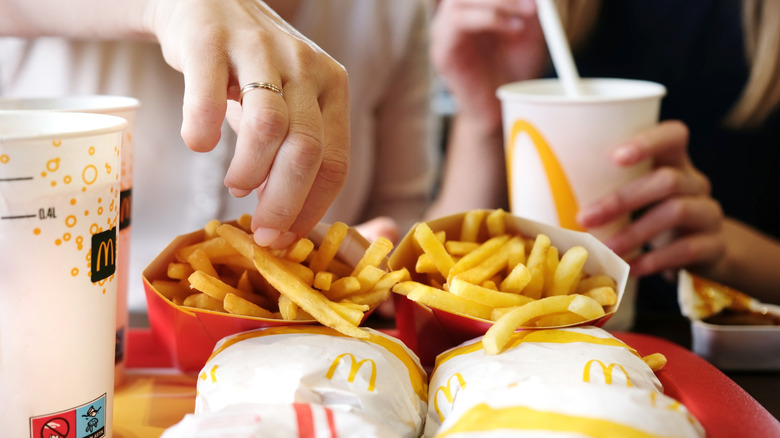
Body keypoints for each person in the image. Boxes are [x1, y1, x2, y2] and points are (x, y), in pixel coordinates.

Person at [0, 0, 438, 313]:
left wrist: (350, 267)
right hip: (49, 339)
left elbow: (401, 221)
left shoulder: (395, 12)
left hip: (298, 355)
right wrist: (170, 7)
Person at [427, 0, 780, 322]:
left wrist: (726, 251)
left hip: (735, 357)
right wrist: (482, 121)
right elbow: (440, 274)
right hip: (526, 350)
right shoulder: (531, 12)